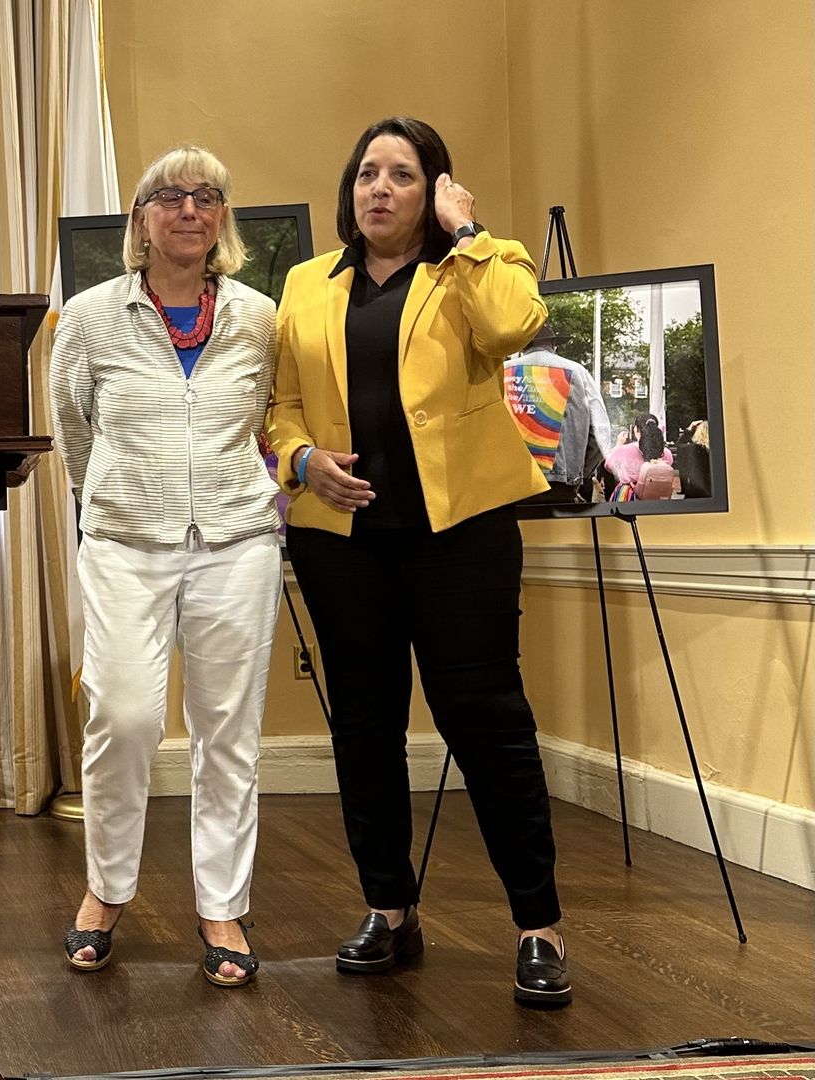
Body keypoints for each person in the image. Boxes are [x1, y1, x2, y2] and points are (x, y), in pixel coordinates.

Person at [265, 117, 572, 1007]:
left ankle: (538, 924)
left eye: (404, 174)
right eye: (369, 173)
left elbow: (515, 329)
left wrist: (467, 233)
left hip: (461, 536)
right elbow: (281, 405)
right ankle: (388, 908)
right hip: (341, 541)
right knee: (364, 728)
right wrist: (300, 461)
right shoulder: (305, 284)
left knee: (488, 722)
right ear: (349, 189)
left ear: (436, 189)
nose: (381, 189)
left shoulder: (484, 263)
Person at [50, 146, 280, 987]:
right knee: (125, 717)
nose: (189, 209)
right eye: (170, 197)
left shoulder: (259, 317)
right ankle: (107, 887)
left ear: (222, 218)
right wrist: (122, 496)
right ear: (141, 219)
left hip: (238, 542)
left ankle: (222, 903)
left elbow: (269, 419)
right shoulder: (89, 316)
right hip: (123, 542)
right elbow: (75, 430)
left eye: (207, 196)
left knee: (229, 733)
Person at [505, 324, 613, 502]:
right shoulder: (577, 372)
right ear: (554, 344)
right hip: (561, 484)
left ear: (523, 345)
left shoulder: (503, 371)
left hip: (513, 480)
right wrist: (579, 472)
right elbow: (600, 430)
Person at [604, 414, 677, 500]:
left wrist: (618, 444)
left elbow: (608, 466)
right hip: (657, 497)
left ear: (636, 430)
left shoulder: (623, 450)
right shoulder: (667, 453)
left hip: (629, 496)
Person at [676, 420, 713, 498]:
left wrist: (689, 429)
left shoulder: (694, 449)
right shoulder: (715, 449)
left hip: (696, 488)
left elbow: (679, 445)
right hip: (713, 488)